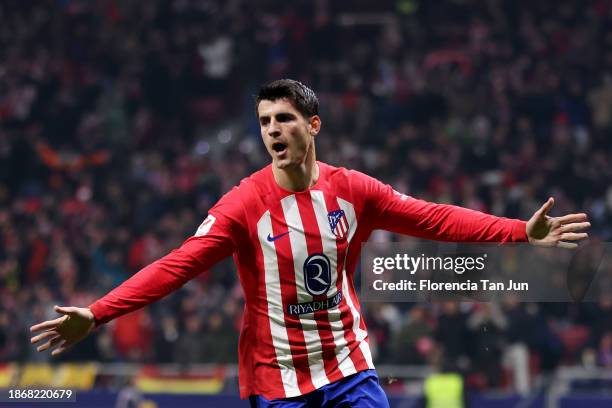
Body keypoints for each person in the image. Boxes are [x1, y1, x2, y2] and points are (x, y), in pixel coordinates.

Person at [30, 79, 590, 407]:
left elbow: (434, 218)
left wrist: (520, 231)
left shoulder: (352, 191)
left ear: (313, 126)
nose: (273, 131)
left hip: (348, 367)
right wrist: (98, 314)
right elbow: (178, 265)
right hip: (277, 380)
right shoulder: (242, 205)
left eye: (285, 119)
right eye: (265, 122)